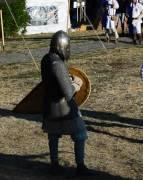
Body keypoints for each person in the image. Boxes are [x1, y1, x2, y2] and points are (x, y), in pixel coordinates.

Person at [40, 30, 89, 175]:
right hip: (65, 108)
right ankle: (80, 166)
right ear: (62, 46)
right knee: (80, 133)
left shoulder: (46, 59)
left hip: (49, 106)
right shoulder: (57, 63)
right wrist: (78, 84)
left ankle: (54, 164)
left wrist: (68, 78)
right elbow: (68, 92)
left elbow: (54, 82)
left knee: (53, 136)